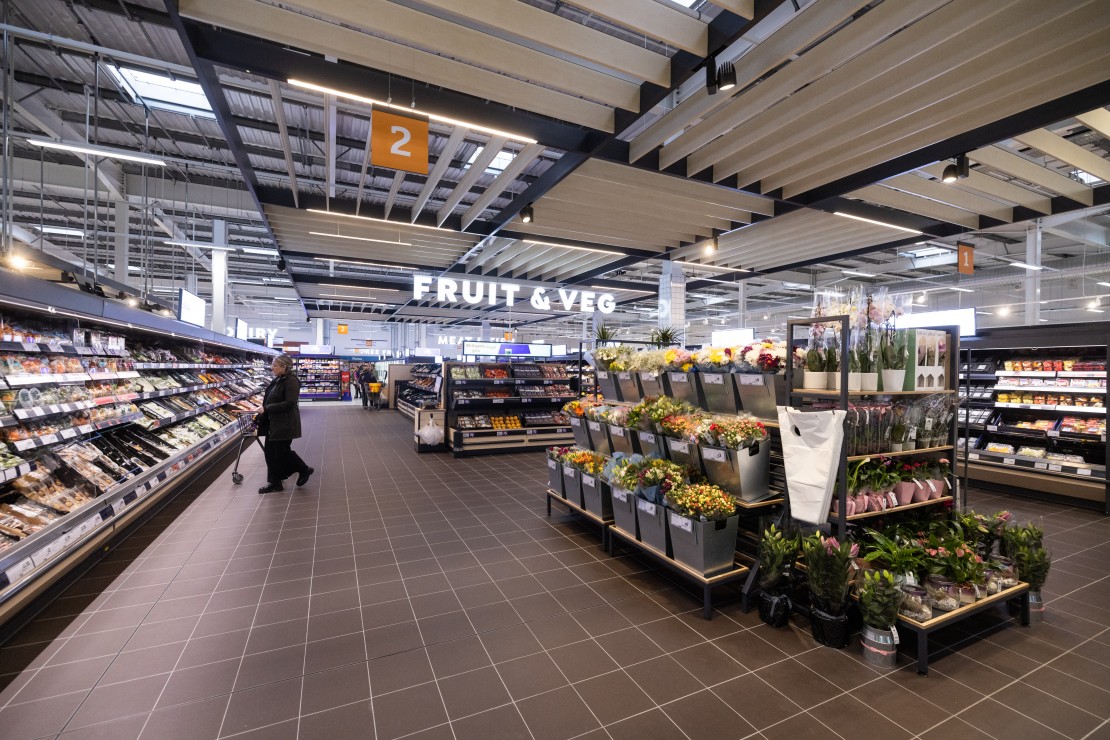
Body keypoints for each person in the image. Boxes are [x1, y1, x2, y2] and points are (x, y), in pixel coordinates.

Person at [256, 354, 313, 494]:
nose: (272, 367)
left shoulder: (291, 381)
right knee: (270, 453)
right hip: (274, 422)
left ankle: (304, 469)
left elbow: (289, 403)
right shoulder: (278, 380)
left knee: (282, 452)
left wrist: (267, 408)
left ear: (284, 367)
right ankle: (275, 482)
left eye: (275, 365)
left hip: (285, 423)